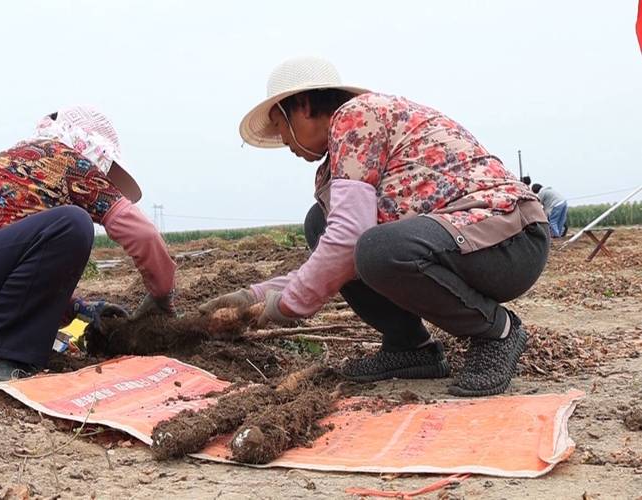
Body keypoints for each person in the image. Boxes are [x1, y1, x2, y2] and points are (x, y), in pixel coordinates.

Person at [201, 57, 550, 397]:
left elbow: (347, 240)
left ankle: (498, 332)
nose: (284, 142)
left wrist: (285, 306)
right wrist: (253, 296)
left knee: (374, 249)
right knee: (320, 223)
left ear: (304, 105)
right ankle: (409, 347)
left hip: (510, 238)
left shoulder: (355, 117)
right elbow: (335, 251)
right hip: (466, 243)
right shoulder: (340, 160)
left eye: (280, 125)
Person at [0, 106, 177, 382]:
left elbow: (14, 273)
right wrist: (162, 296)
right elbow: (142, 234)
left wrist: (81, 308)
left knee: (62, 227)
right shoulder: (67, 160)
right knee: (72, 224)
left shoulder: (16, 167)